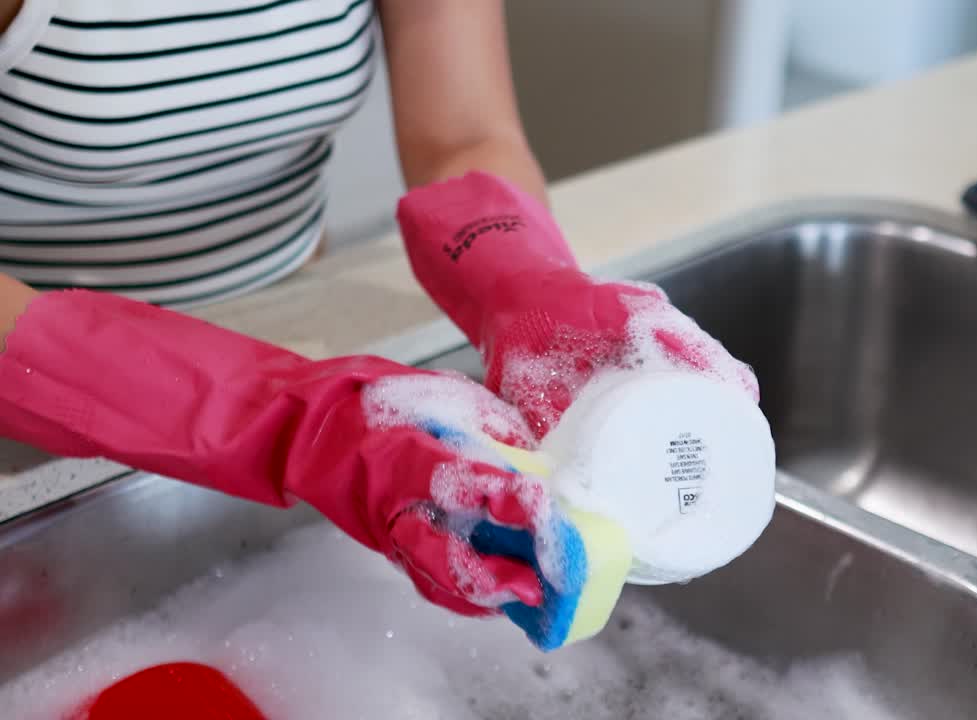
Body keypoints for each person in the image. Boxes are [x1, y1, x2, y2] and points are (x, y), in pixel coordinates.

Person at [0, 0, 759, 645]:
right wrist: (286, 421)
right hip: (36, 411)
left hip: (291, 330)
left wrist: (529, 285)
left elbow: (462, 132)